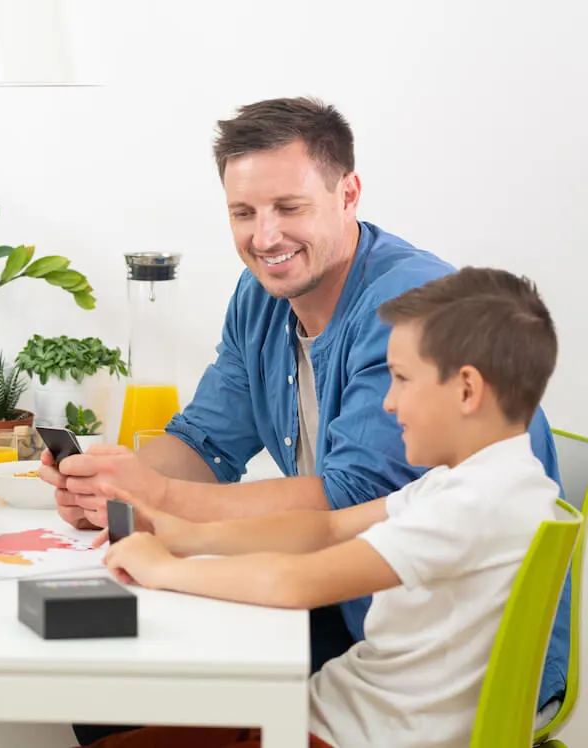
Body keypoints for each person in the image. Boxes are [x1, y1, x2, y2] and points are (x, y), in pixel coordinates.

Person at [40, 97, 569, 745]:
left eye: (289, 208)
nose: (264, 237)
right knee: (109, 661)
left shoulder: (417, 317)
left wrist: (167, 530)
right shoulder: (264, 293)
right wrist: (117, 487)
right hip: (369, 644)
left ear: (348, 194)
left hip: (398, 658)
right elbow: (206, 441)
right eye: (243, 213)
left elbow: (339, 514)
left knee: (130, 669)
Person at [89, 266, 563, 748]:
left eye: (401, 380)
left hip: (350, 735)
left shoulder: (473, 506)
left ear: (466, 390)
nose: (388, 404)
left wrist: (161, 569)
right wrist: (182, 537)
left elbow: (295, 582)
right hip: (329, 713)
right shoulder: (482, 483)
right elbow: (328, 528)